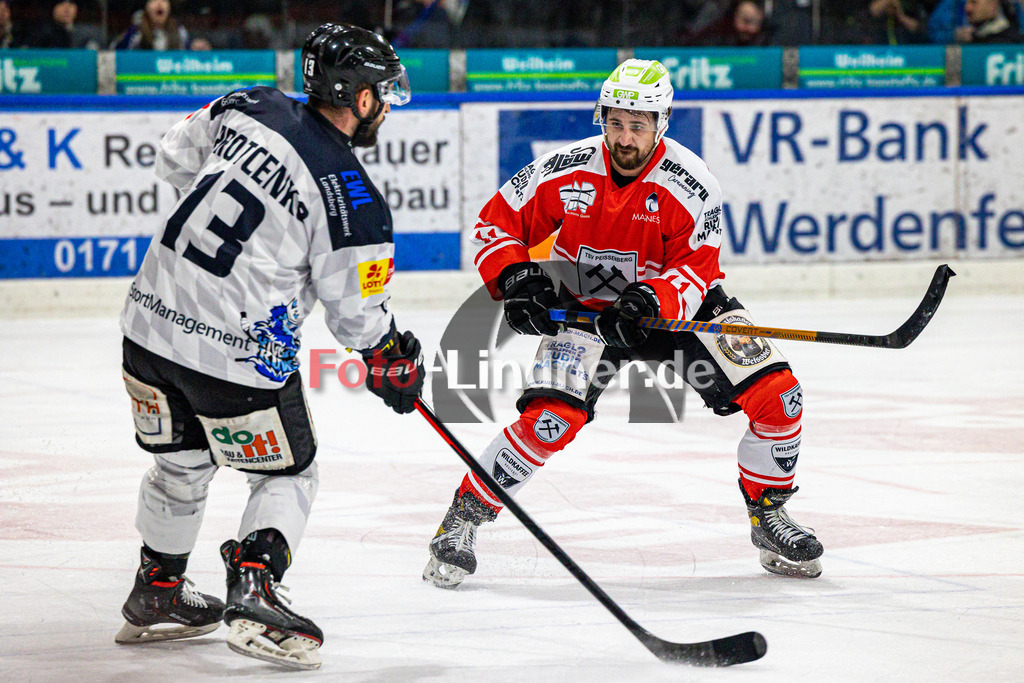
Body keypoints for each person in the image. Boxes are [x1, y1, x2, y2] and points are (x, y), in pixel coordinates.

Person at [422, 59, 824, 591]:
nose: (624, 138)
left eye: (638, 125)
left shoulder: (692, 183)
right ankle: (463, 519)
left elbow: (697, 268)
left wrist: (651, 299)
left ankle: (768, 513)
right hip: (588, 311)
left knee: (779, 396)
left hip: (676, 310)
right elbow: (495, 224)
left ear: (661, 124)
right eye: (615, 123)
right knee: (550, 420)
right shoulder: (565, 168)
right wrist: (517, 278)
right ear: (602, 119)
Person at [115, 23, 424, 671]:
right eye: (384, 93)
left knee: (181, 466)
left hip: (147, 325)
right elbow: (357, 317)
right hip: (234, 353)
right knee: (288, 470)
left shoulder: (250, 103)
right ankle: (255, 586)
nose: (388, 106)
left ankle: (158, 587)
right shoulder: (352, 194)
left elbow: (173, 157)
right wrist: (391, 355)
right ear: (361, 98)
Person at [112, 0, 188, 50]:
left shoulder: (180, 32)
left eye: (163, 0)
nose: (159, 3)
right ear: (146, 8)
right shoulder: (135, 32)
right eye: (154, 0)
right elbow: (114, 51)